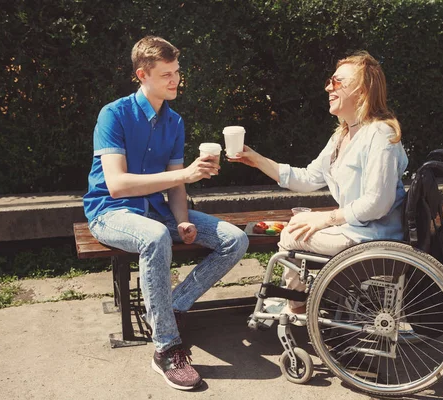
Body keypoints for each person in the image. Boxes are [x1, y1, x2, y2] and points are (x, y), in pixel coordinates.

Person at [83, 36, 249, 391]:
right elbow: (117, 184)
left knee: (235, 239)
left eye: (176, 72)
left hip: (158, 211)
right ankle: (166, 349)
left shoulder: (174, 122)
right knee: (155, 236)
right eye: (166, 75)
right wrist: (186, 174)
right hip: (111, 212)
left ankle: (169, 307)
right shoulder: (113, 115)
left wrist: (183, 217)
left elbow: (176, 186)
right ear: (142, 75)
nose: (175, 81)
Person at [229, 51, 408, 314]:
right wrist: (255, 159)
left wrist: (324, 219)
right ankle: (299, 301)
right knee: (296, 227)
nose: (328, 87)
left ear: (362, 89)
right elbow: (308, 178)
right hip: (358, 232)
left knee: (291, 233)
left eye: (337, 82)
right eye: (330, 81)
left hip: (373, 236)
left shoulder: (379, 134)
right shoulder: (343, 134)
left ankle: (297, 307)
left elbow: (378, 203)